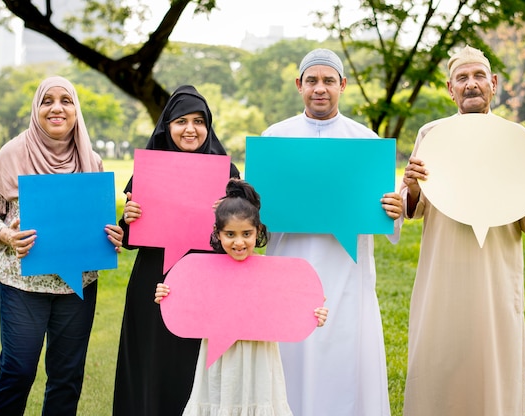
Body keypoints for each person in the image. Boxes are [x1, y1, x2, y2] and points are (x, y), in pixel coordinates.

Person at [400, 45, 525, 416]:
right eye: (462, 78)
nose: (471, 85)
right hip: (443, 273)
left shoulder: (517, 139)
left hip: (496, 276)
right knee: (439, 359)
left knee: (494, 366)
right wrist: (414, 186)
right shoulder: (430, 134)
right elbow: (413, 206)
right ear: (450, 88)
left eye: (479, 76)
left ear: (494, 83)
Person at [261, 48, 404, 416]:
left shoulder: (366, 141)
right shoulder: (275, 138)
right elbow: (256, 212)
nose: (319, 88)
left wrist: (394, 209)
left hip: (347, 272)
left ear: (342, 84)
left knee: (345, 354)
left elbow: (384, 214)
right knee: (290, 355)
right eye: (312, 80)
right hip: (288, 268)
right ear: (299, 85)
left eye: (328, 81)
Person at [0, 76, 124, 416]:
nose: (57, 108)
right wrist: (5, 236)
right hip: (22, 285)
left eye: (66, 101)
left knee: (67, 378)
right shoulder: (13, 153)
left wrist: (112, 236)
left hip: (78, 288)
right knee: (17, 372)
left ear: (75, 110)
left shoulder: (92, 159)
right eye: (47, 101)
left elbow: (98, 222)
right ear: (37, 109)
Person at [113, 85, 241, 415]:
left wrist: (230, 210)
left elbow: (246, 236)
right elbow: (128, 239)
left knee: (196, 365)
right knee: (150, 361)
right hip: (153, 279)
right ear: (167, 126)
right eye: (181, 121)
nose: (190, 129)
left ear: (208, 127)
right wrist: (128, 218)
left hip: (206, 283)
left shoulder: (227, 174)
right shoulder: (148, 169)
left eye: (199, 121)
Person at [154, 178, 329, 416]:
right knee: (221, 397)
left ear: (258, 231)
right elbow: (190, 301)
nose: (239, 242)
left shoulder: (271, 271)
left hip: (259, 357)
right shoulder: (206, 271)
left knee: (257, 398)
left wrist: (313, 313)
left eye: (246, 233)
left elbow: (290, 306)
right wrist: (168, 294)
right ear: (218, 233)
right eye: (230, 234)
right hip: (219, 356)